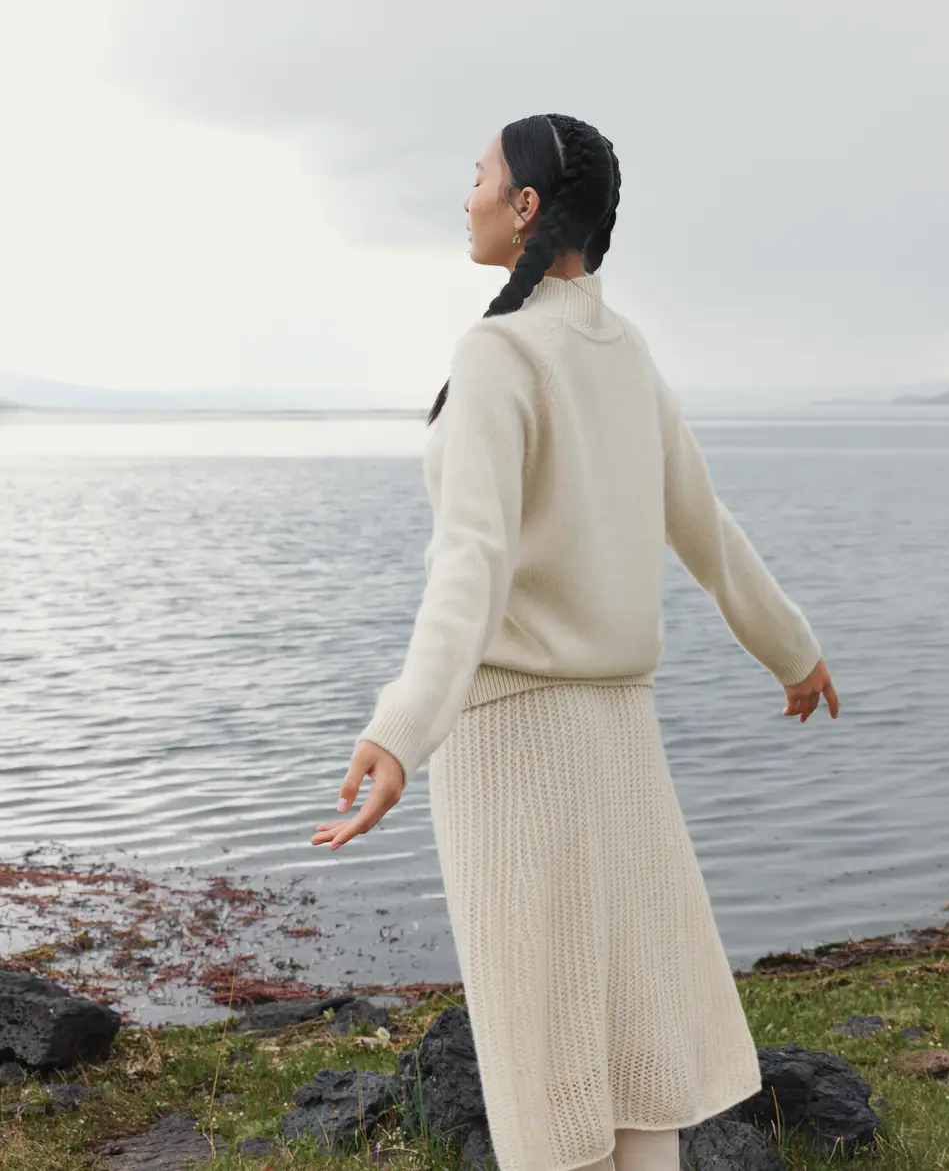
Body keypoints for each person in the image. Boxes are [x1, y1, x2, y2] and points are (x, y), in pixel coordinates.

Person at [312, 112, 838, 1171]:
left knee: (549, 1073)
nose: (463, 196)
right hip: (620, 739)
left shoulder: (499, 351)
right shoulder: (623, 348)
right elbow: (707, 525)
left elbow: (472, 564)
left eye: (478, 177)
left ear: (526, 207)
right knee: (640, 1068)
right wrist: (792, 647)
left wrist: (401, 729)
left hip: (513, 744)